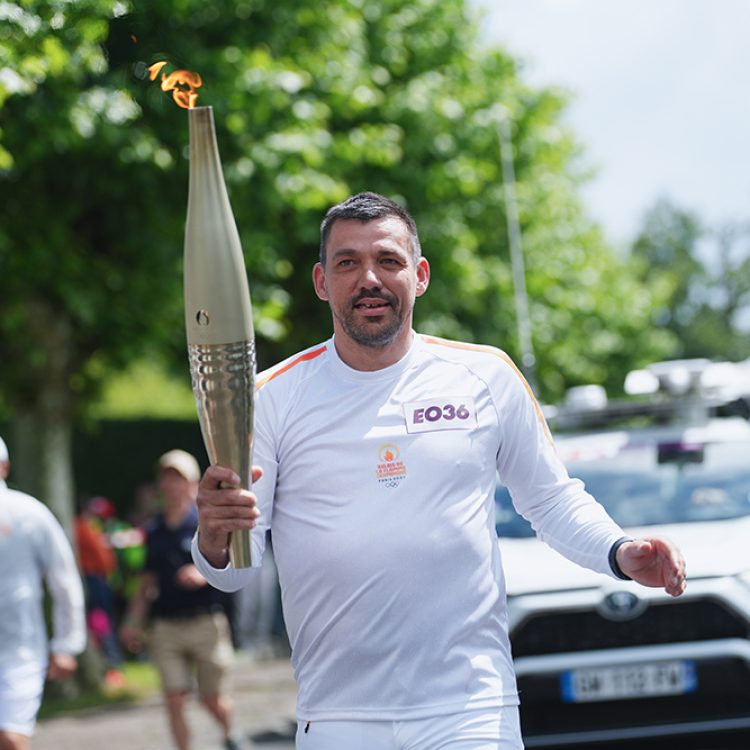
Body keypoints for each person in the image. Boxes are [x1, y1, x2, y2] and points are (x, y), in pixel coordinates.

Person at [191, 192, 687, 750]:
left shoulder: (485, 377)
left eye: (389, 260)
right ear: (321, 282)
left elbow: (551, 501)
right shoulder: (271, 398)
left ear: (420, 274)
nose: (369, 279)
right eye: (347, 263)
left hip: (471, 710)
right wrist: (213, 537)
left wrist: (620, 552)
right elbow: (233, 570)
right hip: (338, 718)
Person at [119, 449, 243, 750]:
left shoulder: (207, 524)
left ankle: (230, 735)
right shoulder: (155, 531)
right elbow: (147, 582)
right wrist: (133, 622)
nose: (171, 486)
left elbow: (236, 566)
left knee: (212, 699)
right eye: (166, 479)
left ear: (192, 484)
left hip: (205, 622)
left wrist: (203, 573)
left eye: (178, 479)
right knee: (173, 698)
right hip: (166, 627)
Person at [0, 435, 86, 750]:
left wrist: (67, 644)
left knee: (10, 738)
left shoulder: (29, 513)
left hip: (20, 650)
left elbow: (63, 577)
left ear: (5, 467)